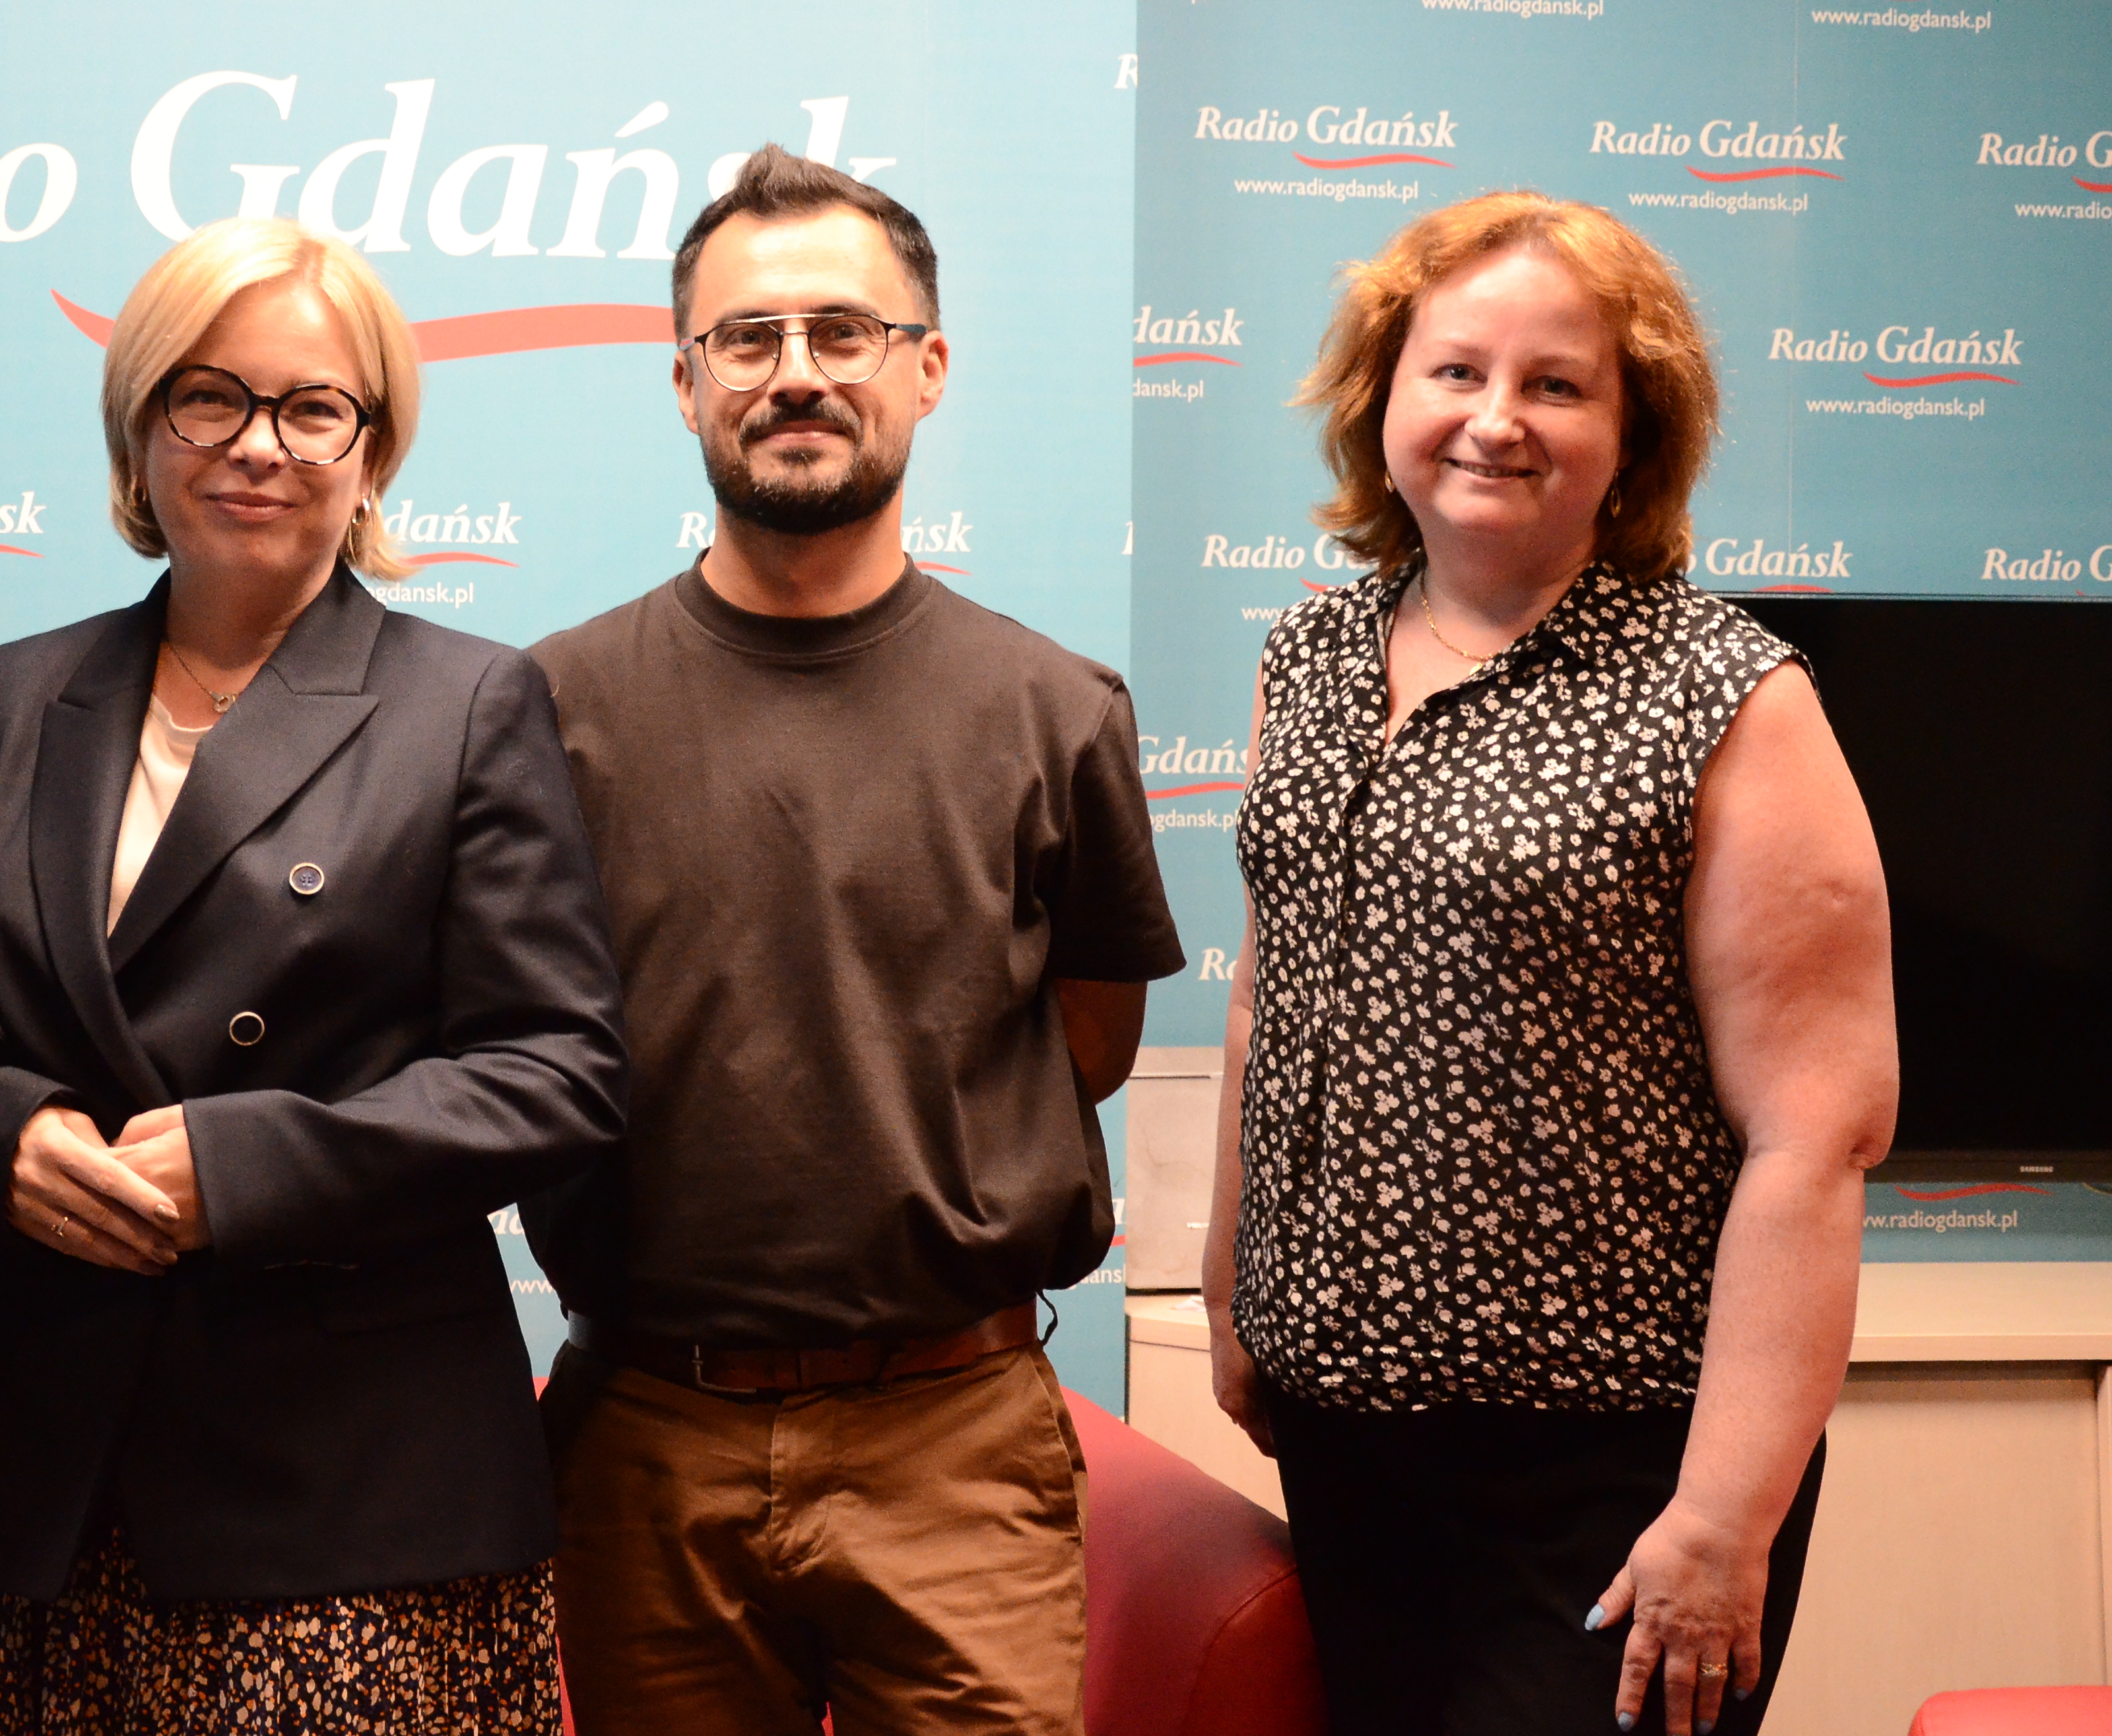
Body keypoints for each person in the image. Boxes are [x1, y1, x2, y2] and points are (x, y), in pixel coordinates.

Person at [0, 216, 626, 1733]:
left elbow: (557, 1075)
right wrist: (3, 1137)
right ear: (140, 427)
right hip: (66, 1469)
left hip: (351, 1490)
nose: (260, 446)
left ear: (372, 448)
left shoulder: (469, 702)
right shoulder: (11, 693)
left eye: (314, 408)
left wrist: (245, 1164)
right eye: (209, 396)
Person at [1203, 191, 1898, 1736]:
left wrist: (1725, 1521)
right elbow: (1275, 983)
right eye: (1454, 372)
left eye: (1555, 384)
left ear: (1631, 432)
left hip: (1616, 1472)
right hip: (1349, 1451)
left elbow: (1818, 1132)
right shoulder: (1307, 658)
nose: (1493, 421)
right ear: (1383, 397)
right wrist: (1233, 1287)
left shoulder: (1727, 695)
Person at [527, 145, 1187, 1735]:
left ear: (927, 368)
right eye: (746, 340)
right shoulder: (546, 711)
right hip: (643, 1441)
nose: (795, 374)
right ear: (683, 383)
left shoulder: (1056, 711)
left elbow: (1081, 1042)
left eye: (844, 332)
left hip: (954, 1438)